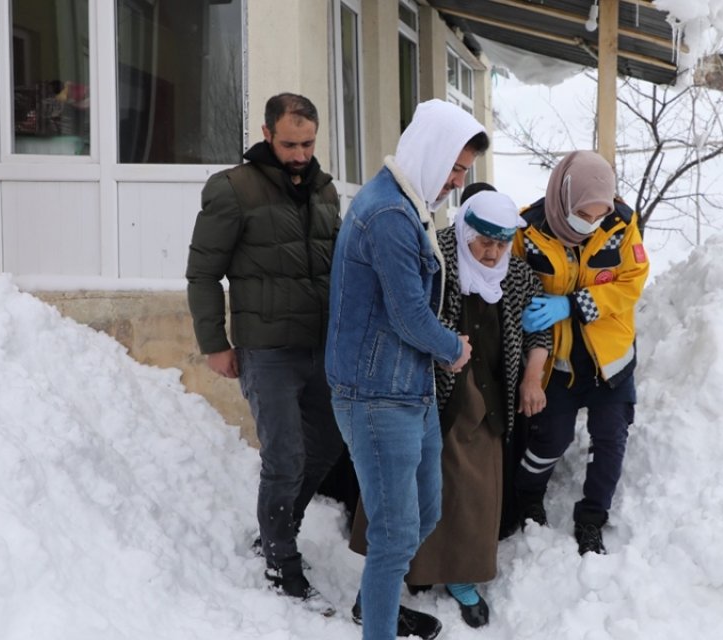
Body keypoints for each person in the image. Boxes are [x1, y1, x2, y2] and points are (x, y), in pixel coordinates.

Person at [348, 187, 550, 629]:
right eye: (484, 242)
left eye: (501, 243)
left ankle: (461, 575)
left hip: (486, 397)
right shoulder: (434, 258)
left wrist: (533, 376)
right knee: (405, 488)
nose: (493, 252)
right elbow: (401, 311)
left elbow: (540, 333)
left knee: (472, 493)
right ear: (465, 231)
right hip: (422, 391)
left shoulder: (516, 275)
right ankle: (380, 586)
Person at [326, 99, 487, 640]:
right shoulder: (390, 215)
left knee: (424, 512)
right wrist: (451, 348)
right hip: (375, 393)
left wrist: (436, 350)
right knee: (395, 535)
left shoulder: (407, 202)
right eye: (455, 169)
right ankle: (377, 624)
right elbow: (409, 313)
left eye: (464, 173)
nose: (456, 183)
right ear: (431, 153)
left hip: (406, 387)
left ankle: (370, 604)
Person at [185, 93, 346, 612]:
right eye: (289, 144)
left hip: (321, 346)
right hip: (267, 349)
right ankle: (281, 558)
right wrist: (215, 344)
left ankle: (279, 530)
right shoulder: (232, 189)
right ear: (266, 133)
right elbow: (204, 272)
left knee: (325, 447)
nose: (300, 154)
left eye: (308, 144)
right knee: (285, 455)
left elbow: (335, 268)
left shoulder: (324, 190)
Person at [512, 150, 650, 556]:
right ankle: (528, 494)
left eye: (598, 216)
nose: (591, 225)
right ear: (564, 198)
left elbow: (632, 282)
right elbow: (513, 283)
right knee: (550, 439)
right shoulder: (529, 229)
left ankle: (592, 519)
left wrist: (574, 304)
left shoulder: (622, 225)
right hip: (556, 360)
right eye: (583, 215)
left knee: (610, 439)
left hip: (610, 359)